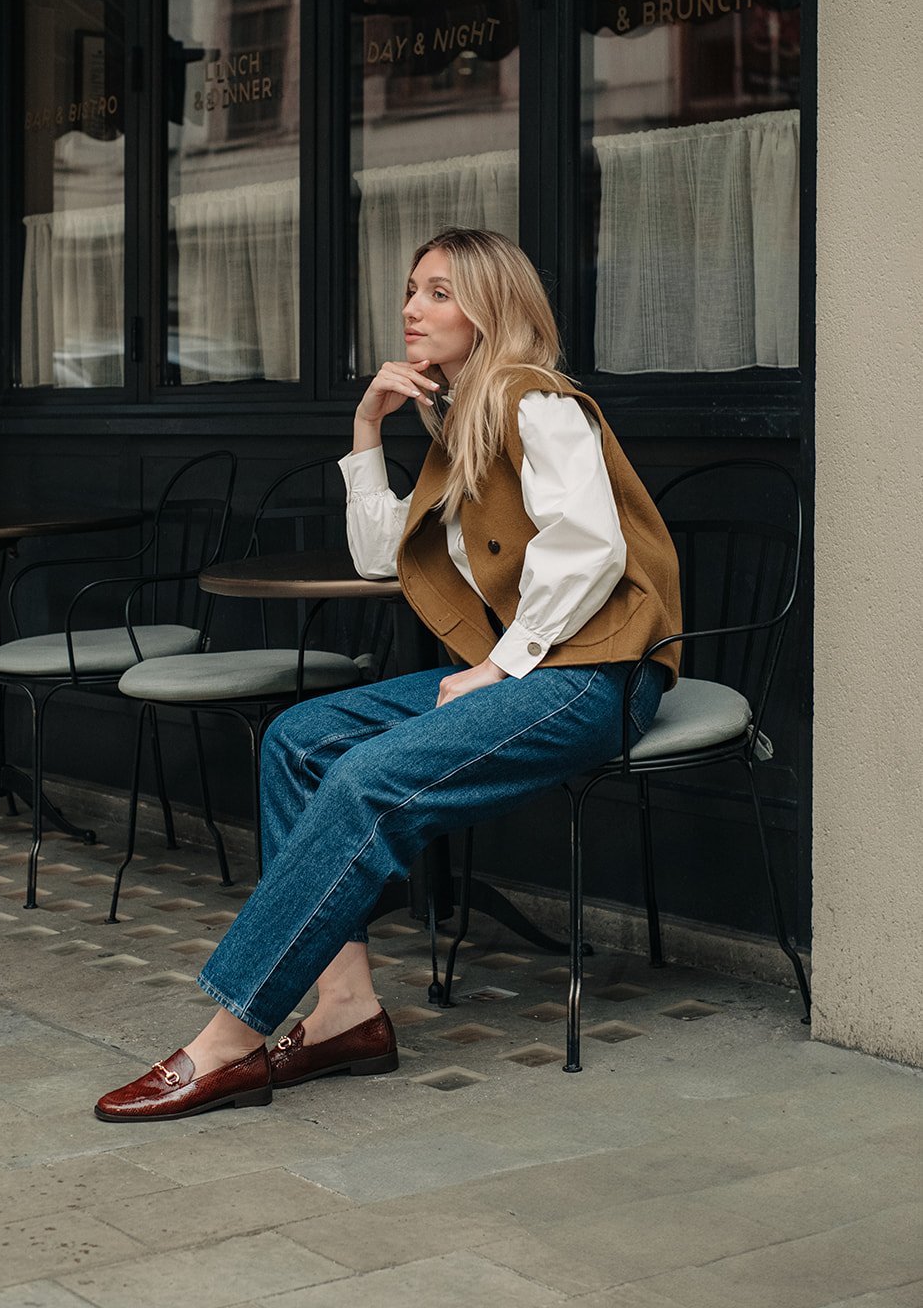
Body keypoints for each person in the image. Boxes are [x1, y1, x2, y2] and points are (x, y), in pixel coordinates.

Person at [95, 227, 681, 1122]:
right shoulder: (463, 418)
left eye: (439, 292)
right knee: (298, 740)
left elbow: (589, 548)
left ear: (490, 307)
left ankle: (226, 1038)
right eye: (412, 290)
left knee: (366, 776)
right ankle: (346, 1013)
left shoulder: (535, 401)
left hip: (594, 676)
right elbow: (382, 556)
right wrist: (367, 426)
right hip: (530, 673)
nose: (411, 309)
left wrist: (497, 664)